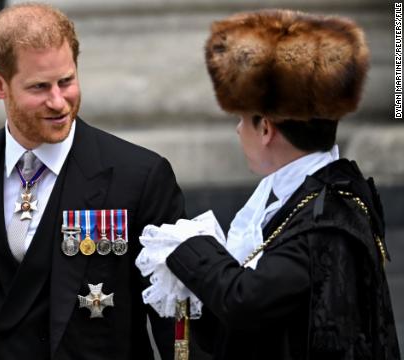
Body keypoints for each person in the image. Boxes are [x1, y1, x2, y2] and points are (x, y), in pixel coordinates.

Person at [0, 3, 185, 360]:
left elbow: (176, 317)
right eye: (40, 87)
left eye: (67, 81)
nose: (59, 101)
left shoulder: (140, 176)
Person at [140, 9, 400, 360]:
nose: (237, 130)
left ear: (266, 129)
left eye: (242, 119)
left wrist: (189, 247)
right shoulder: (312, 195)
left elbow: (246, 300)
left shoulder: (328, 214)